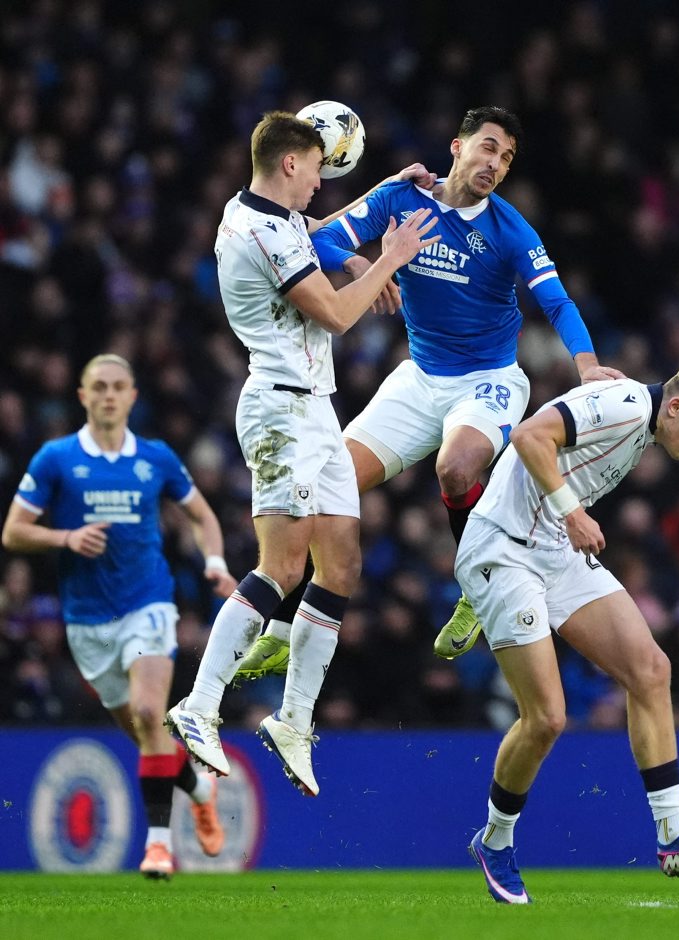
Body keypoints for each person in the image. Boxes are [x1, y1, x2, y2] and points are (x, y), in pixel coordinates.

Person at [235, 105, 623, 682]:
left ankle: (479, 585)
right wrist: (362, 262)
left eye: (507, 158)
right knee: (327, 485)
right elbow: (323, 238)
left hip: (488, 380)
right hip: (419, 378)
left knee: (455, 468)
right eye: (488, 147)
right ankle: (285, 630)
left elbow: (558, 302)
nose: (495, 163)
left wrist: (587, 367)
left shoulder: (511, 230)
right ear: (457, 147)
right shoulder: (402, 198)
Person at [164, 110, 440, 796]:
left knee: (340, 566)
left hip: (315, 408)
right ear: (290, 162)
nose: (322, 180)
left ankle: (293, 720)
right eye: (318, 167)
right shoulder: (262, 232)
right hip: (281, 412)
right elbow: (339, 315)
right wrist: (389, 258)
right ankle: (198, 705)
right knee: (283, 567)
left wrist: (380, 198)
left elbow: (316, 231)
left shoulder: (263, 212)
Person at [452, 358, 679, 903]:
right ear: (676, 406)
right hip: (503, 548)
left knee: (651, 670)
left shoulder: (639, 418)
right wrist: (572, 512)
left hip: (551, 550)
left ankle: (675, 833)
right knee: (547, 718)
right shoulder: (627, 407)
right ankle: (494, 841)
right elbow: (528, 435)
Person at [1, 353, 237, 879]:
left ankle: (158, 847)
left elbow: (201, 515)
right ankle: (200, 789)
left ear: (132, 396)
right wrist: (65, 537)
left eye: (118, 387)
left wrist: (216, 563)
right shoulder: (56, 459)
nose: (109, 395)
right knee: (143, 732)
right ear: (83, 396)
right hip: (88, 620)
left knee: (152, 715)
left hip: (148, 604)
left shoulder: (155, 458)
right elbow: (13, 531)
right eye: (99, 387)